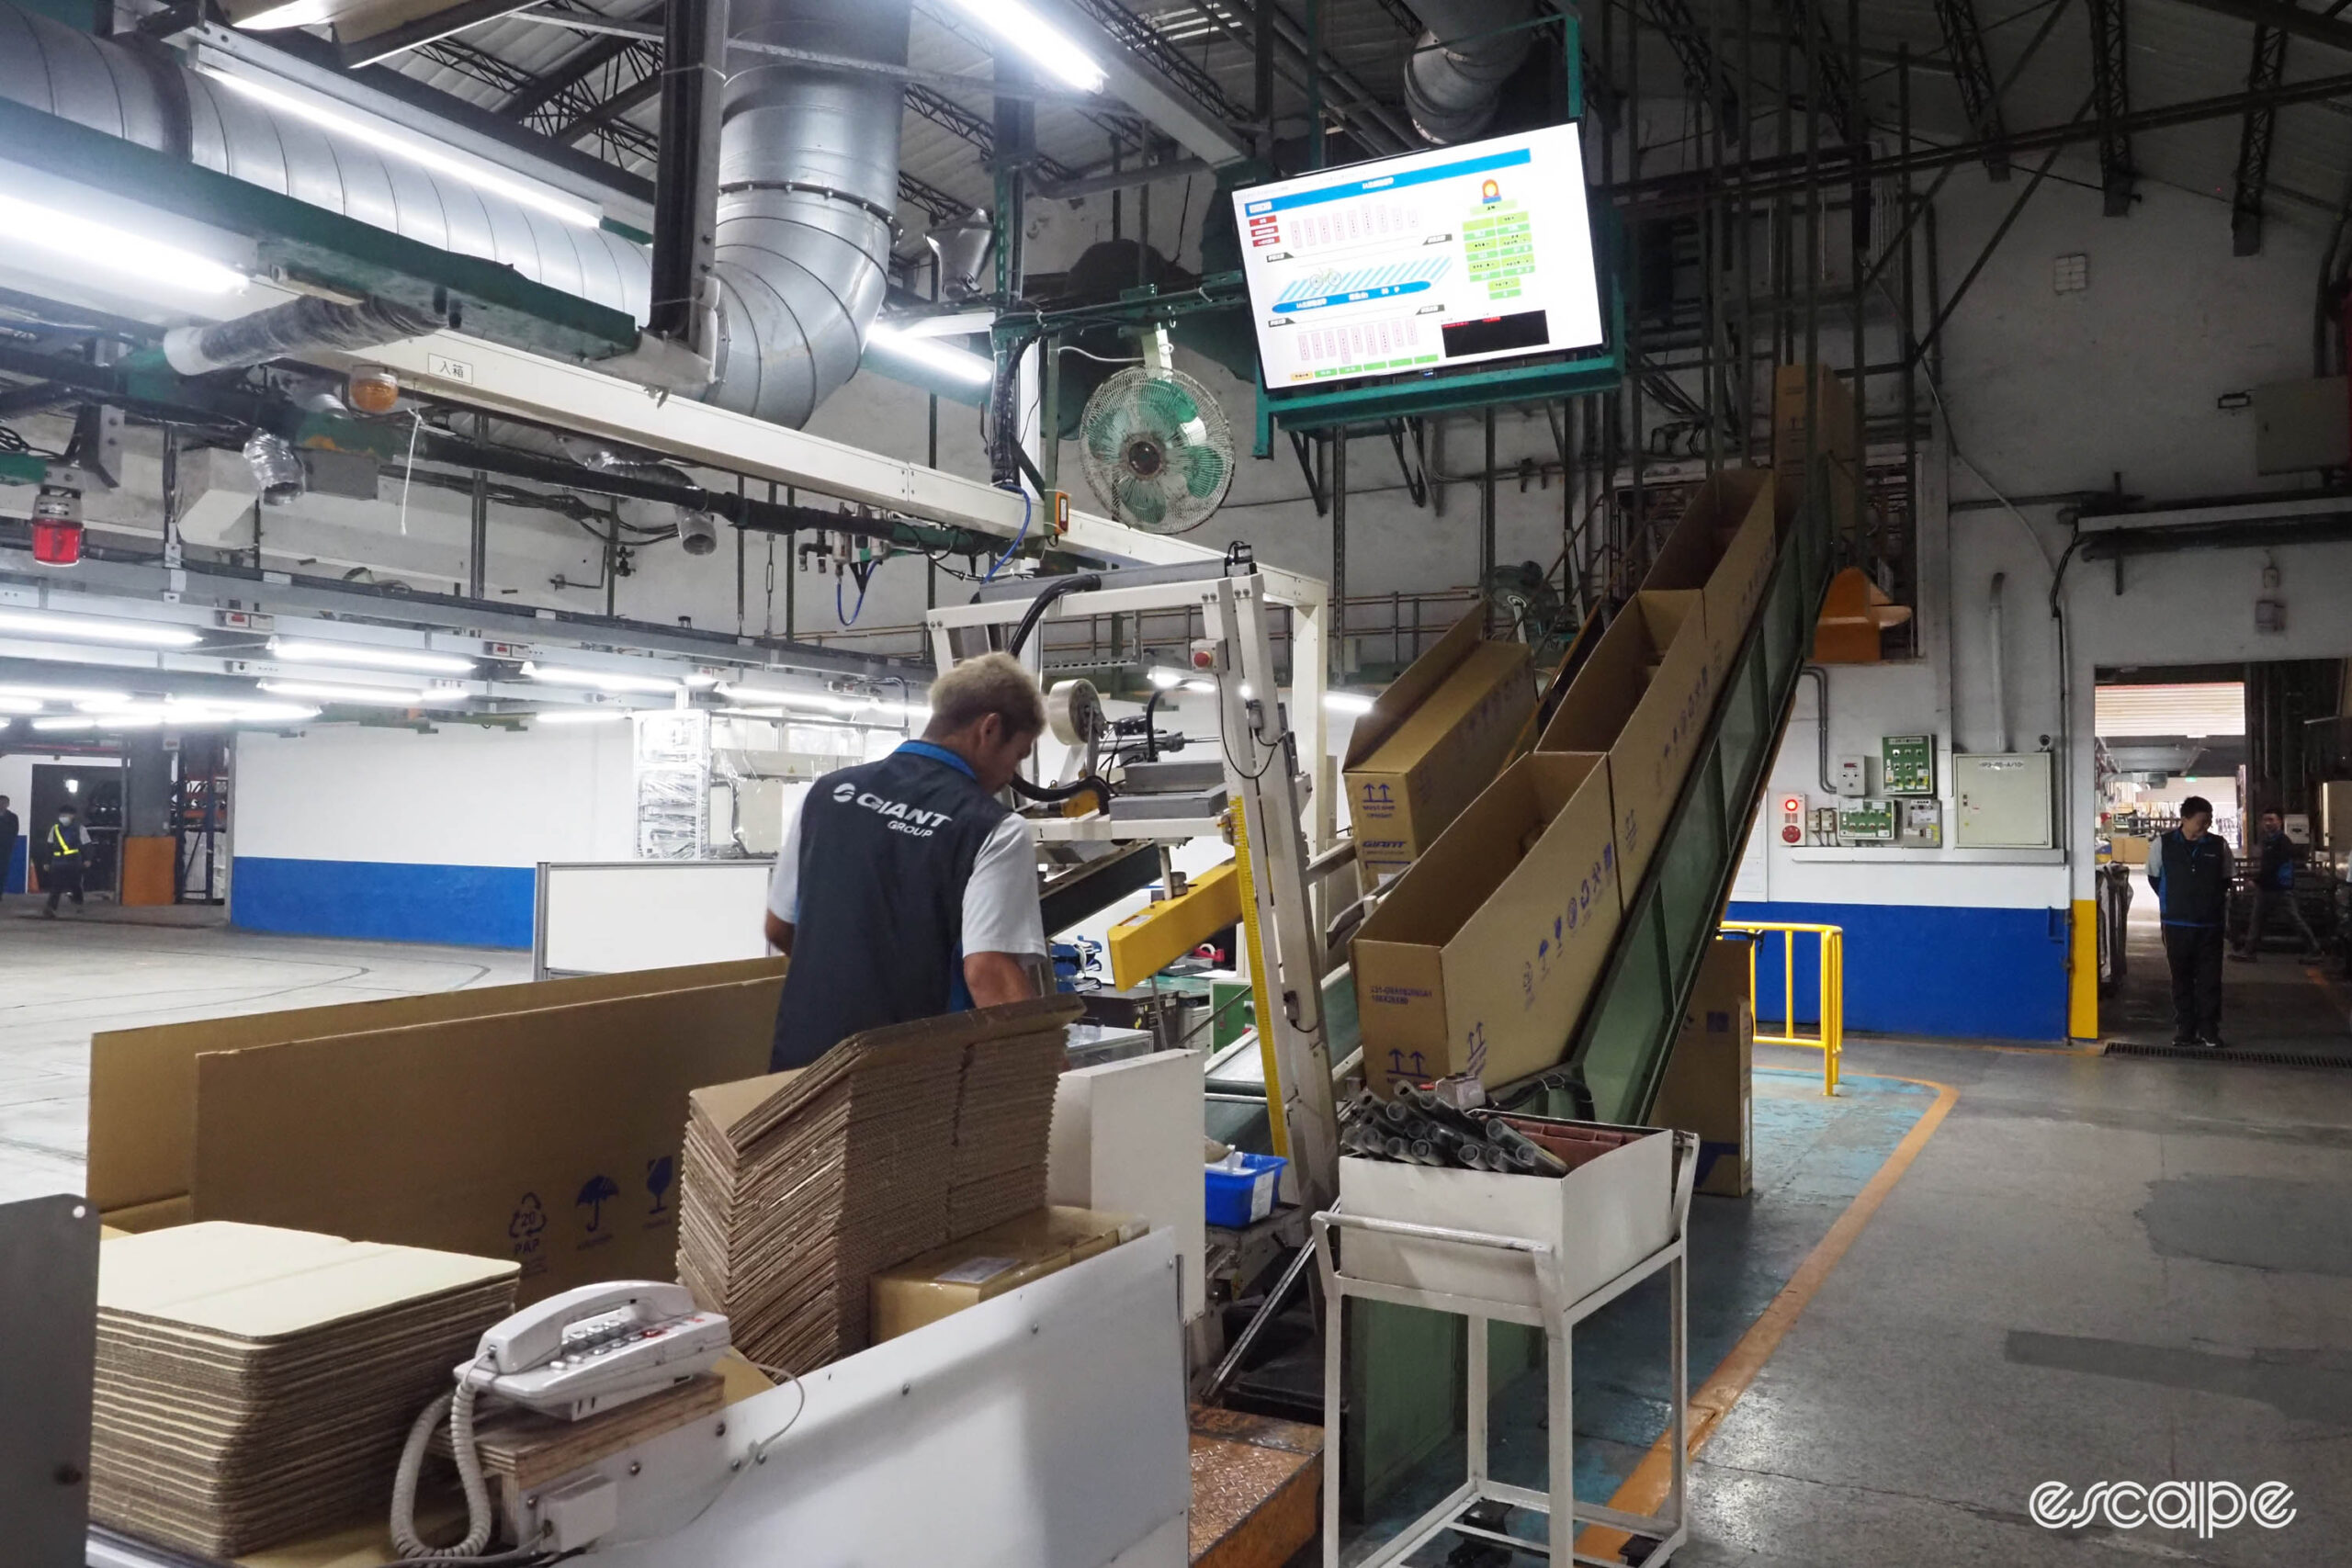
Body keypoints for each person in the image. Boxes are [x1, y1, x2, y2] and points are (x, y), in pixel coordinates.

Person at [763, 652, 1048, 1071]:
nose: (1012, 773)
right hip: (909, 1080)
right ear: (989, 729)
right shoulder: (995, 828)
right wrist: (1044, 1065)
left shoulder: (826, 794)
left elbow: (779, 928)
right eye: (1018, 755)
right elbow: (987, 972)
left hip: (801, 1068)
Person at [2146, 795, 2232, 1048]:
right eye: (2201, 821)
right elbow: (2154, 877)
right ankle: (2185, 1028)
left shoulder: (2218, 845)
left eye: (2209, 821)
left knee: (2209, 979)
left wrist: (2208, 901)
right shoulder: (2163, 844)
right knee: (2180, 978)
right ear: (2184, 818)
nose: (2206, 825)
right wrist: (2176, 901)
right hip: (2176, 924)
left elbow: (2226, 879)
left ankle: (2208, 1029)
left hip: (2210, 925)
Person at [2233, 808, 2318, 962]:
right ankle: (2248, 951)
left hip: (2280, 888)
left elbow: (2272, 866)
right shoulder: (2269, 841)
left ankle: (2315, 949)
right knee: (2257, 920)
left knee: (2293, 919)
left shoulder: (2282, 842)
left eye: (2271, 819)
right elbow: (2268, 866)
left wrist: (2256, 880)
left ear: (2280, 821)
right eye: (2265, 820)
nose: (2267, 823)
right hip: (2267, 887)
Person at [39, 802, 89, 919]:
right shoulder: (55, 829)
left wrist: (87, 859)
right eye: (62, 815)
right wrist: (47, 861)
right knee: (56, 886)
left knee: (75, 884)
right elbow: (49, 846)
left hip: (74, 860)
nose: (63, 817)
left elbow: (86, 845)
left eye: (66, 815)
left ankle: (78, 903)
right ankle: (50, 908)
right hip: (57, 861)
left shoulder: (80, 829)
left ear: (73, 816)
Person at [0, 795, 18, 894]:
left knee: (2, 871)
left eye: (4, 803)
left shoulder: (12, 817)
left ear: (8, 804)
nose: (2, 805)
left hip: (5, 849)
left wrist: (10, 844)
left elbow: (14, 832)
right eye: (0, 802)